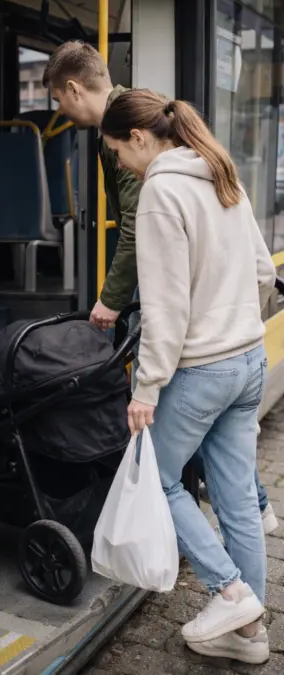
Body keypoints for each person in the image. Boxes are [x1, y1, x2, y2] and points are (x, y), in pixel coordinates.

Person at [43, 40, 277, 534]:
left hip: (200, 349)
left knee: (161, 459)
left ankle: (207, 556)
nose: (59, 111)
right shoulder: (184, 148)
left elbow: (138, 235)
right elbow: (259, 269)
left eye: (59, 100)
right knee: (226, 450)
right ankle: (250, 524)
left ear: (73, 88)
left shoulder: (143, 156)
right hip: (239, 352)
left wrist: (111, 300)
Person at [101, 89, 276, 664]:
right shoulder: (222, 173)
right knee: (236, 503)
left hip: (199, 369)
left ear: (140, 138)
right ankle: (251, 636)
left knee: (156, 479)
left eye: (117, 153)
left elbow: (167, 308)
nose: (121, 165)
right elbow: (260, 270)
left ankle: (230, 595)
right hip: (249, 359)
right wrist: (233, 323)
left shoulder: (161, 191)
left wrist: (145, 388)